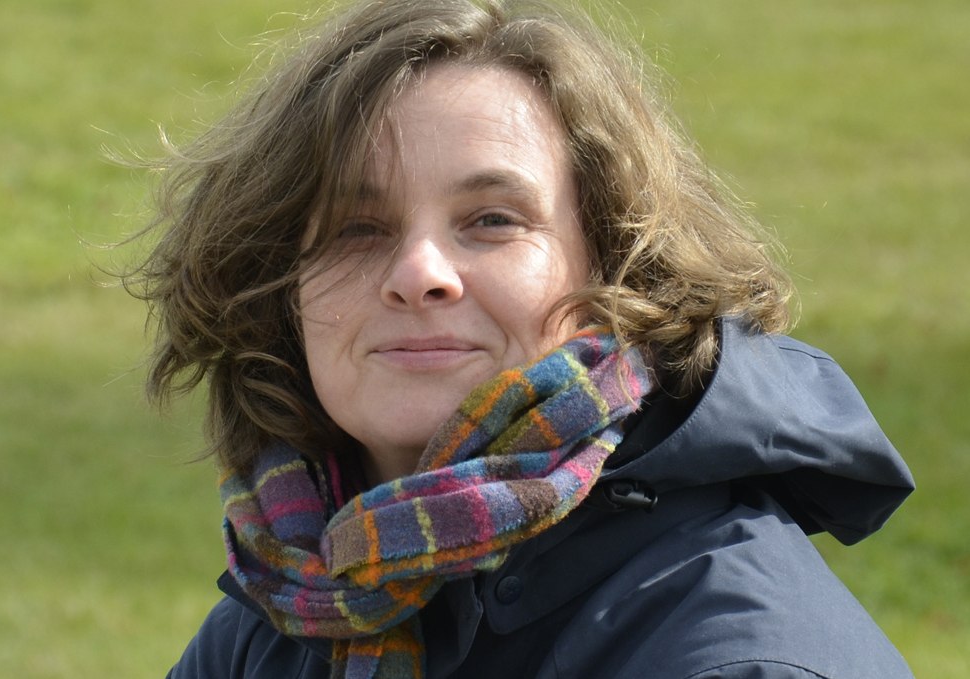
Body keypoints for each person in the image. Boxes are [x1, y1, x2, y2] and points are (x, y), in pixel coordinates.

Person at [131, 0, 916, 677]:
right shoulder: (287, 606)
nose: (418, 272)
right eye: (356, 228)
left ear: (614, 272)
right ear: (281, 285)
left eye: (492, 221)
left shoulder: (740, 658)